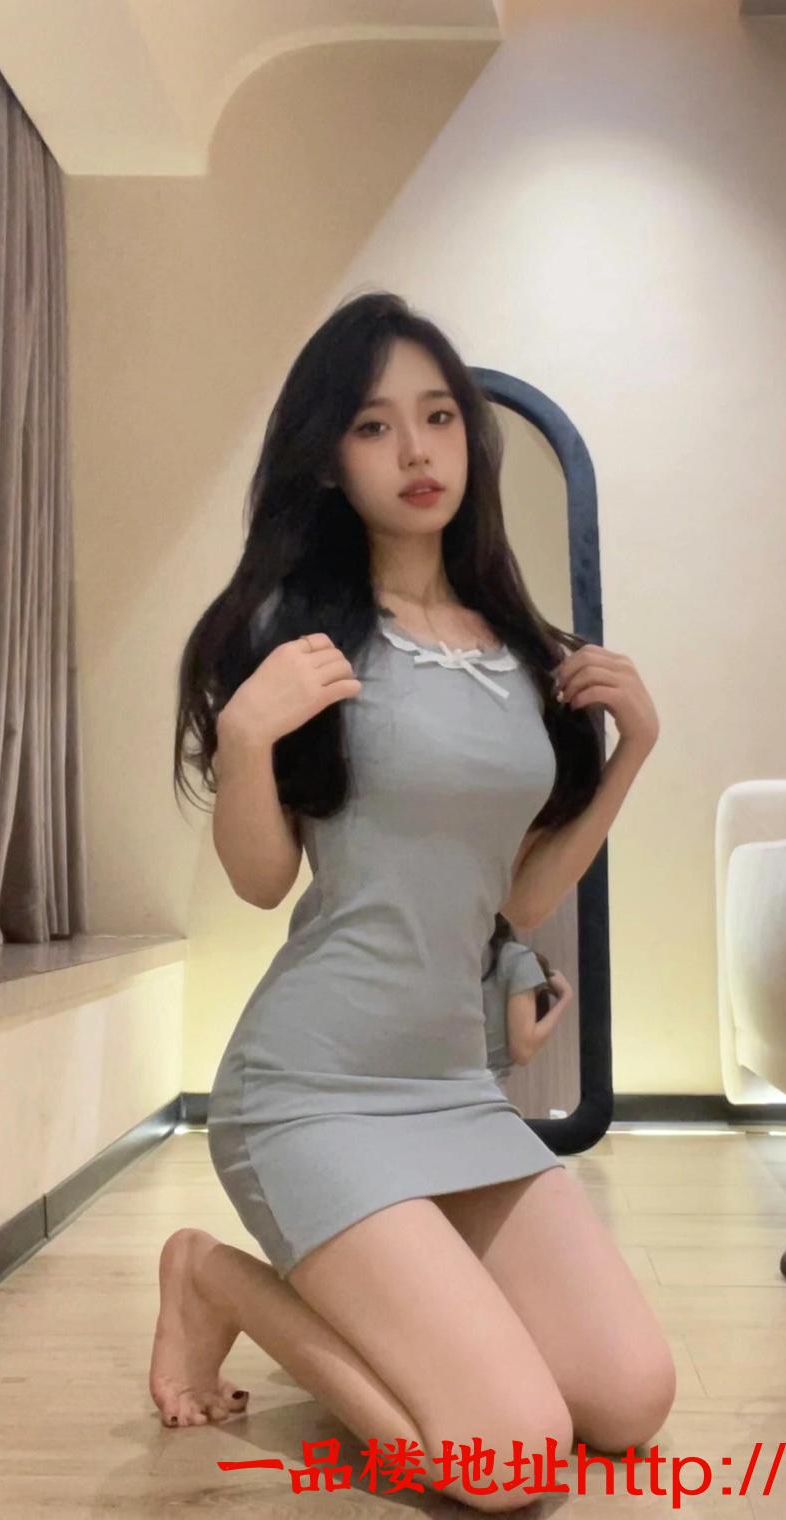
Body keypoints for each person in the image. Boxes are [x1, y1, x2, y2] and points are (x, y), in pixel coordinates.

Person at [154, 290, 673, 1509]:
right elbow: (262, 880)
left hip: (451, 1086)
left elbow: (519, 895)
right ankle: (215, 1281)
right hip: (311, 1090)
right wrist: (246, 740)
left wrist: (635, 752)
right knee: (510, 1461)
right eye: (375, 425)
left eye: (438, 417)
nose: (416, 449)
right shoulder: (297, 635)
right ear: (331, 457)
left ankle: (425, 1313)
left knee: (630, 1398)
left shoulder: (524, 653)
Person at [480, 912, 574, 1087]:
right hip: (484, 1091)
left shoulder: (452, 958)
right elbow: (523, 1051)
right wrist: (565, 998)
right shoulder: (516, 958)